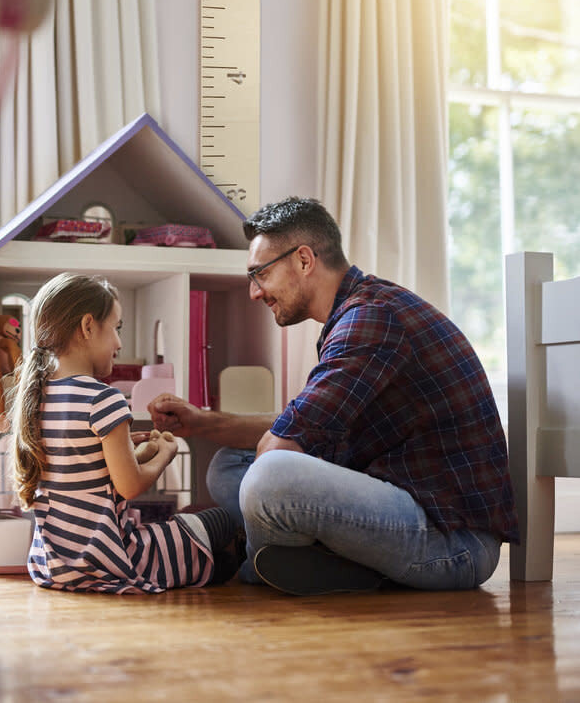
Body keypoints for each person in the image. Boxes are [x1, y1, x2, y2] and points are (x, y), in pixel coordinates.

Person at [149, 196, 519, 596]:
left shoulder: (371, 319)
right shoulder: (358, 311)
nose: (255, 292)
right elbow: (305, 426)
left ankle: (257, 560)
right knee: (228, 465)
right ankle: (319, 562)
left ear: (304, 260)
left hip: (452, 544)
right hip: (404, 502)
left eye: (260, 274)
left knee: (268, 475)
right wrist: (204, 423)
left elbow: (280, 450)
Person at [10, 272, 236, 594]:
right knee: (222, 520)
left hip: (54, 567)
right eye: (116, 329)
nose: (118, 343)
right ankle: (214, 565)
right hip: (113, 561)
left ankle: (209, 567)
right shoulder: (104, 398)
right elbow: (130, 486)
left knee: (217, 561)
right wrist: (165, 456)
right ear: (88, 326)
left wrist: (134, 452)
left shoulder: (39, 397)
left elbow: (84, 468)